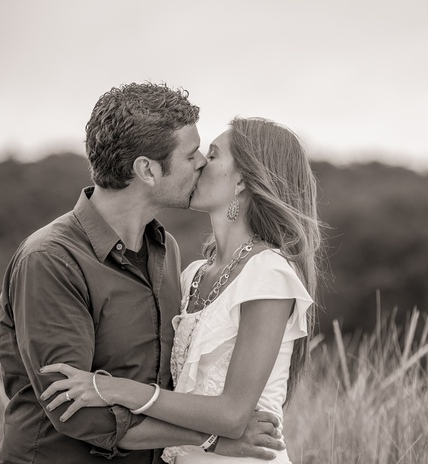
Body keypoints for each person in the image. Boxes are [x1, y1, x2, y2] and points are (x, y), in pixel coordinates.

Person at [0, 84, 284, 464]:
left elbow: (167, 385)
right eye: (190, 154)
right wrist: (212, 438)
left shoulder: (166, 251)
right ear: (147, 169)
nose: (200, 162)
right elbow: (77, 412)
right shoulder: (51, 259)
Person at [40, 116, 322, 463]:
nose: (201, 161)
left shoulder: (269, 273)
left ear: (243, 181)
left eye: (214, 154)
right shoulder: (191, 275)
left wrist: (115, 388)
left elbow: (233, 415)